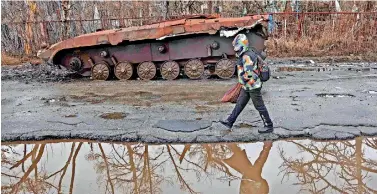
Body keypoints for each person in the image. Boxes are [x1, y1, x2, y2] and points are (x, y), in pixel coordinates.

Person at [220, 33, 273, 133]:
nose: (236, 50)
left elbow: (249, 74)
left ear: (243, 46)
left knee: (259, 106)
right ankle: (229, 121)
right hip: (247, 86)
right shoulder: (246, 53)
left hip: (253, 86)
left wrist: (241, 81)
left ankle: (269, 126)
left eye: (238, 48)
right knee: (240, 104)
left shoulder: (247, 57)